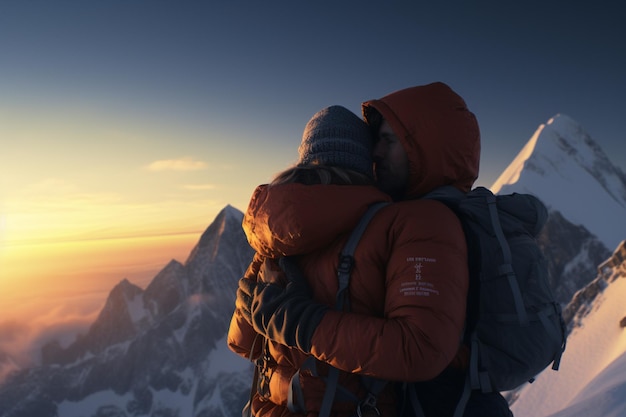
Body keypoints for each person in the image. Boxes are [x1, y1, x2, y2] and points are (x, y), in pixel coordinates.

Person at [228, 99, 470, 417]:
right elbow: (419, 348)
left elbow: (242, 343)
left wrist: (273, 315)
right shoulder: (397, 224)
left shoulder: (274, 231)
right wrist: (305, 323)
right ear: (364, 159)